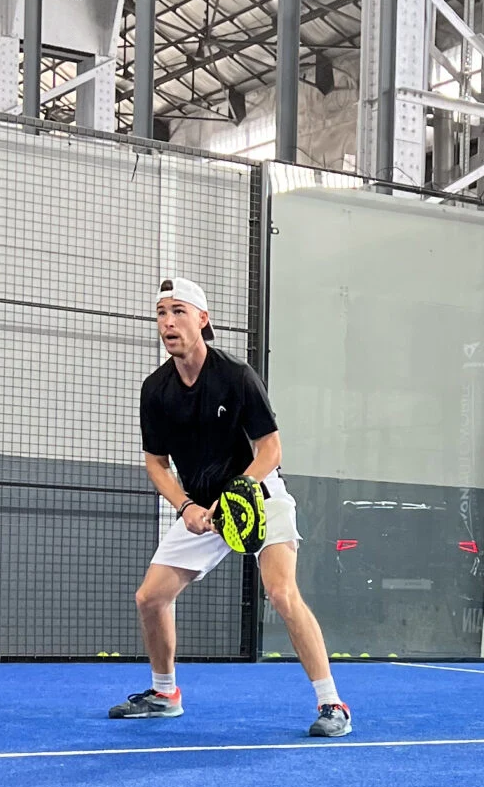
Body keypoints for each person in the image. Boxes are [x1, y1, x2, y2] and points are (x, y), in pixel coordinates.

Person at [108, 277, 351, 737]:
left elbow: (271, 450)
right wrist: (186, 507)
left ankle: (332, 704)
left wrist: (238, 492)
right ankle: (165, 694)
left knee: (281, 592)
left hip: (259, 497)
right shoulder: (155, 390)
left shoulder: (236, 376)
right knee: (150, 598)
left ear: (203, 319)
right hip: (200, 508)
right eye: (161, 313)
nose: (167, 322)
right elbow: (156, 464)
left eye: (178, 311)